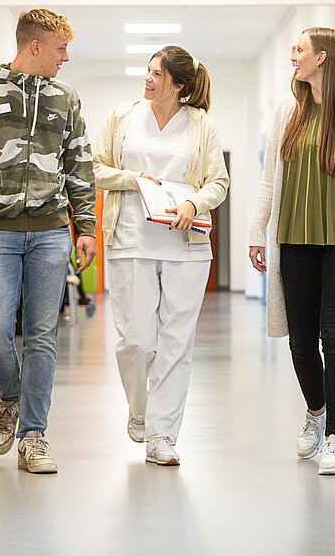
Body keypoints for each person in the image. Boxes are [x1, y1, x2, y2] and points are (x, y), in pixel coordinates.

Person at [0, 8, 96, 474]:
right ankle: (9, 397)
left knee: (41, 335)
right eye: (60, 49)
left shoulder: (66, 99)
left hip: (52, 231)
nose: (65, 57)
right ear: (35, 46)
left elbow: (80, 167)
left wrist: (87, 226)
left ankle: (34, 435)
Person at [248, 27, 335, 476]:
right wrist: (256, 230)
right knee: (301, 341)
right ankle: (315, 412)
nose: (294, 55)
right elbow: (270, 177)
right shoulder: (287, 110)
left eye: (300, 49)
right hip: (294, 238)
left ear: (323, 57)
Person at [92, 45, 229, 466]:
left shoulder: (200, 125)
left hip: (184, 247)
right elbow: (92, 167)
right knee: (135, 340)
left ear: (178, 84)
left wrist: (195, 204)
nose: (147, 79)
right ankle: (140, 410)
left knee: (175, 344)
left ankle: (162, 435)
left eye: (156, 74)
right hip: (130, 239)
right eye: (147, 71)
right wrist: (132, 179)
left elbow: (218, 182)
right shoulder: (122, 117)